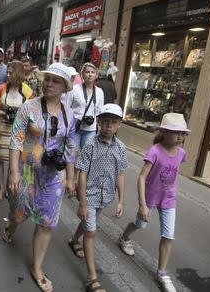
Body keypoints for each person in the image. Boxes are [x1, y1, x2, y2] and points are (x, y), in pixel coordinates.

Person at [2, 63, 76, 292]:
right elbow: (16, 139)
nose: (49, 84)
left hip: (53, 176)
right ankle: (10, 229)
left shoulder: (69, 114)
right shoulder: (29, 108)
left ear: (64, 86)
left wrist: (70, 178)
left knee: (46, 223)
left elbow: (70, 146)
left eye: (55, 81)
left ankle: (37, 267)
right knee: (19, 215)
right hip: (26, 172)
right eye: (47, 79)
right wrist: (14, 172)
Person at [118, 113, 190, 292]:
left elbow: (173, 173)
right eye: (176, 132)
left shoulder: (182, 153)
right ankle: (124, 237)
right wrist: (142, 204)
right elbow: (142, 177)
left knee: (168, 235)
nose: (180, 137)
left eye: (183, 133)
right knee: (140, 224)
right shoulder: (155, 151)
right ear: (165, 132)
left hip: (169, 200)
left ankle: (162, 273)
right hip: (149, 197)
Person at [72, 103, 128, 292]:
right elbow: (82, 173)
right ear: (99, 122)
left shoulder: (120, 148)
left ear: (119, 125)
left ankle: (73, 242)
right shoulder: (90, 145)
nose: (108, 126)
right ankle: (92, 278)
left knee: (88, 222)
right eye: (105, 122)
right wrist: (83, 203)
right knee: (91, 232)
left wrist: (121, 200)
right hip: (89, 195)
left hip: (106, 197)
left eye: (113, 122)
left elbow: (120, 173)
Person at [0, 60, 33, 202]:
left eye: (10, 72)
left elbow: (32, 110)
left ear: (18, 73)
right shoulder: (1, 88)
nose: (7, 75)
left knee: (15, 160)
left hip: (19, 131)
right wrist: (2, 113)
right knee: (0, 160)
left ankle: (9, 186)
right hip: (1, 128)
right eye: (7, 72)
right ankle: (1, 188)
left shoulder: (27, 91)